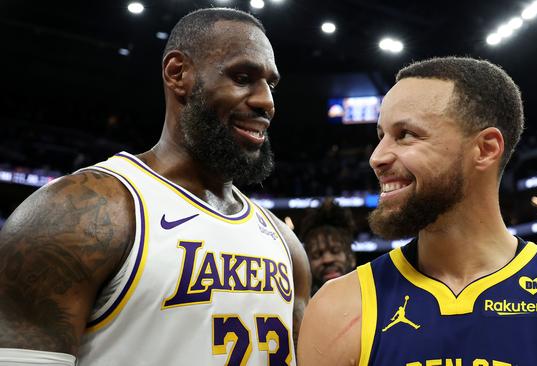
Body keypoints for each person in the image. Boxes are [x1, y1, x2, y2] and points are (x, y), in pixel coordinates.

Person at [0, 8, 310, 366]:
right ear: (178, 73)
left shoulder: (286, 246)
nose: (266, 102)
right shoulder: (77, 214)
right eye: (242, 77)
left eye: (270, 85)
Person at [298, 57, 537, 365]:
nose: (377, 157)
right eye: (381, 135)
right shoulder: (339, 307)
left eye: (405, 134)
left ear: (485, 149)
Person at [299, 198, 356, 295]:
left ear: (351, 258)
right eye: (317, 255)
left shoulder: (372, 299)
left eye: (335, 251)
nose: (327, 260)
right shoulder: (301, 307)